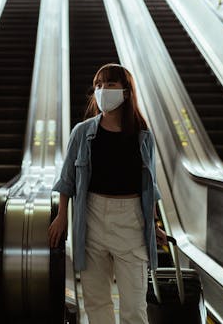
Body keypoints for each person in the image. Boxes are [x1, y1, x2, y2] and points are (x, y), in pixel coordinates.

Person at [48, 63, 167, 324]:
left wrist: (154, 223)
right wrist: (61, 215)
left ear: (125, 91)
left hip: (132, 220)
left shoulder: (142, 135)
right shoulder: (82, 132)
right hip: (91, 217)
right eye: (98, 85)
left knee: (135, 305)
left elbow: (150, 184)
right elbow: (68, 178)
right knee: (96, 301)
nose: (102, 90)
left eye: (110, 85)